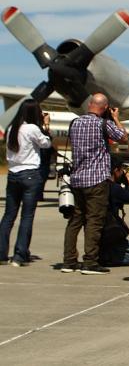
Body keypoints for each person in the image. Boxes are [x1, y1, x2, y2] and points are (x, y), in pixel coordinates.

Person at [63, 93, 128, 275]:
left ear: (90, 104)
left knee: (75, 220)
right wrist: (116, 118)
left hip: (76, 179)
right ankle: (90, 261)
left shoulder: (74, 123)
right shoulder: (102, 124)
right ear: (105, 107)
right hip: (96, 179)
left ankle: (69, 260)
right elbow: (123, 138)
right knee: (94, 221)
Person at [0, 99, 51, 267]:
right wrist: (46, 127)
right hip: (30, 173)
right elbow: (46, 143)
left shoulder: (12, 129)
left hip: (13, 173)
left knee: (8, 216)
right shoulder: (33, 128)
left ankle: (1, 253)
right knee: (27, 216)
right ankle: (20, 255)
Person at [98, 160, 129, 267]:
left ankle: (103, 254)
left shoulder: (100, 185)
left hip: (99, 232)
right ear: (116, 170)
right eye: (121, 170)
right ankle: (106, 257)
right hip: (111, 233)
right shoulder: (114, 188)